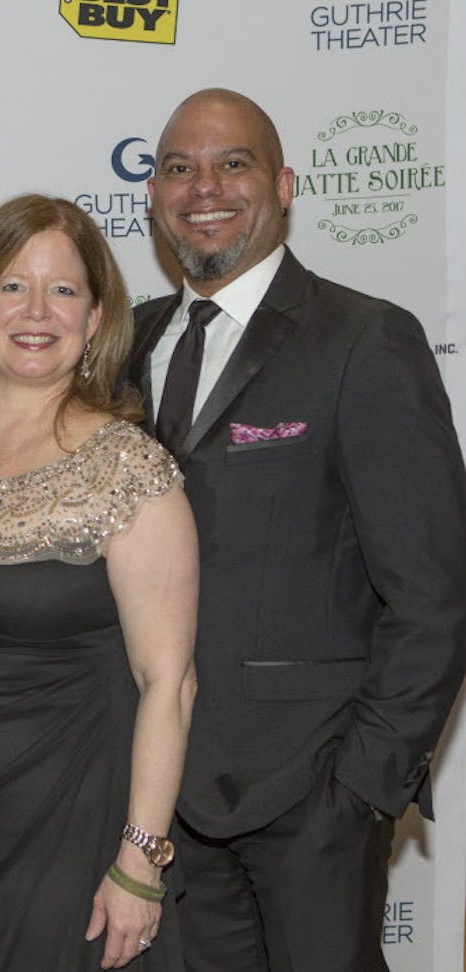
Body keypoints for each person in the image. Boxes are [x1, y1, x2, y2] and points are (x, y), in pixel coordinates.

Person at [129, 88, 466, 970]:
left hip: (310, 802)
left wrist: (360, 788)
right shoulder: (123, 348)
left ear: (282, 185)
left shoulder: (366, 341)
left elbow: (434, 591)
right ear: (154, 196)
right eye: (177, 167)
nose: (204, 186)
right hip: (154, 805)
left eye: (231, 163)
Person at [0, 194, 198, 971]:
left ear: (95, 320)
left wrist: (141, 861)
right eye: (13, 286)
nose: (37, 311)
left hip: (70, 829)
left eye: (64, 291)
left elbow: (169, 682)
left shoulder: (128, 465)